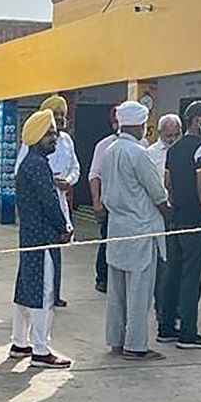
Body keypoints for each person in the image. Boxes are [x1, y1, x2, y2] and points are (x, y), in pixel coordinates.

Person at [103, 101, 171, 361]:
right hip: (141, 229)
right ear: (140, 124)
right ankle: (136, 345)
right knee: (140, 293)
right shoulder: (138, 152)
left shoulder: (110, 150)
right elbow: (157, 192)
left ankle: (116, 341)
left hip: (117, 228)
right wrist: (167, 208)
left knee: (117, 292)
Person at [159, 100, 201, 349]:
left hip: (176, 218)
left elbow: (168, 184)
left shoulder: (173, 149)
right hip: (195, 222)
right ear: (198, 120)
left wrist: (177, 205)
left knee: (172, 274)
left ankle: (166, 327)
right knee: (191, 278)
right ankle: (188, 333)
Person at [12, 110, 73, 368]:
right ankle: (40, 350)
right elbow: (50, 202)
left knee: (25, 290)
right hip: (43, 238)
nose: (55, 137)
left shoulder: (30, 162)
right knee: (44, 293)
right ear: (36, 137)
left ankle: (19, 343)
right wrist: (64, 227)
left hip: (30, 237)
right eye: (49, 134)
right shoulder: (38, 166)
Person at [15, 95, 81, 307]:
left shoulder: (66, 141)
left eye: (63, 114)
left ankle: (55, 294)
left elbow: (75, 168)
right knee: (41, 262)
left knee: (56, 253)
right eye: (56, 114)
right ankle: (44, 300)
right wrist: (46, 181)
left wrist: (68, 181)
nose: (61, 119)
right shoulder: (33, 150)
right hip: (40, 208)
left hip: (59, 196)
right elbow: (21, 173)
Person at [148, 112, 182, 337]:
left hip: (179, 214)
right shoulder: (149, 155)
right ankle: (162, 309)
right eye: (167, 135)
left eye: (175, 135)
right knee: (162, 267)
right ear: (160, 134)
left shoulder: (182, 151)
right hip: (158, 214)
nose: (171, 139)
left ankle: (174, 307)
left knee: (176, 265)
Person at [89, 106, 120, 293]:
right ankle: (103, 278)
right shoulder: (104, 145)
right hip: (109, 204)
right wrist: (97, 202)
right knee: (107, 241)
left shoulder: (142, 145)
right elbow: (94, 175)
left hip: (132, 208)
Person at [146, 113, 182, 180]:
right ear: (160, 133)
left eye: (177, 135)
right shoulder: (150, 153)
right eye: (169, 136)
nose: (173, 139)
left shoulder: (184, 151)